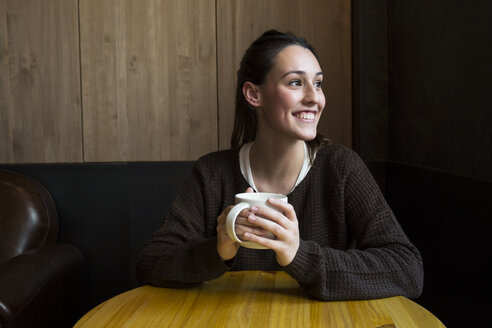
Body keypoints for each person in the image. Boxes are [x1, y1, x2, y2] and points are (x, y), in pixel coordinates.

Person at [137, 30, 423, 300]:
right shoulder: (213, 173)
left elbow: (407, 269)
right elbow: (151, 262)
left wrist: (300, 256)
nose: (315, 98)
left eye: (318, 83)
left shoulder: (341, 168)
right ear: (254, 95)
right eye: (296, 82)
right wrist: (218, 250)